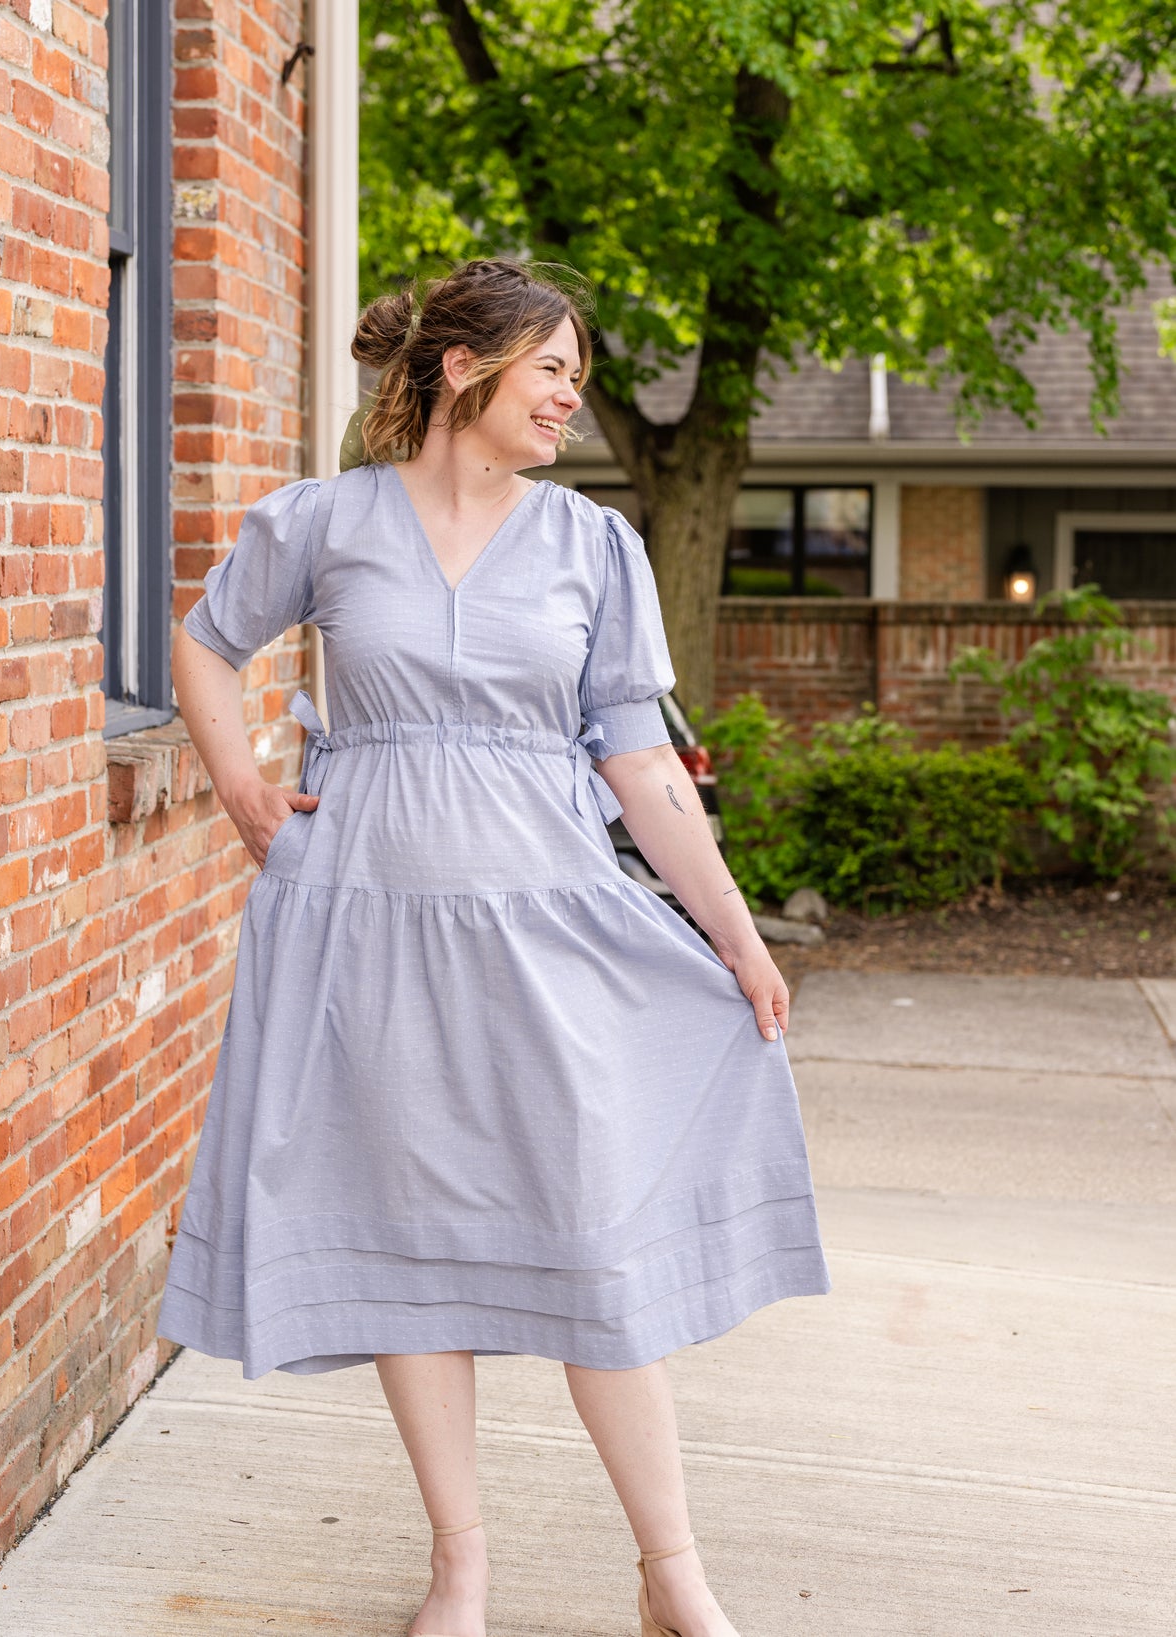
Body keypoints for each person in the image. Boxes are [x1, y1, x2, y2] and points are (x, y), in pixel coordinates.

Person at [157, 258, 830, 1637]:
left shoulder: (593, 548)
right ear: (462, 370)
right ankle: (458, 1567)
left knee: (595, 1237)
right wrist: (240, 790)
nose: (573, 394)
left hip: (552, 934)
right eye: (552, 368)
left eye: (575, 372)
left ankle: (670, 1568)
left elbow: (640, 768)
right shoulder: (327, 522)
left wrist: (735, 935)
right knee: (413, 1251)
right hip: (363, 934)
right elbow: (203, 641)